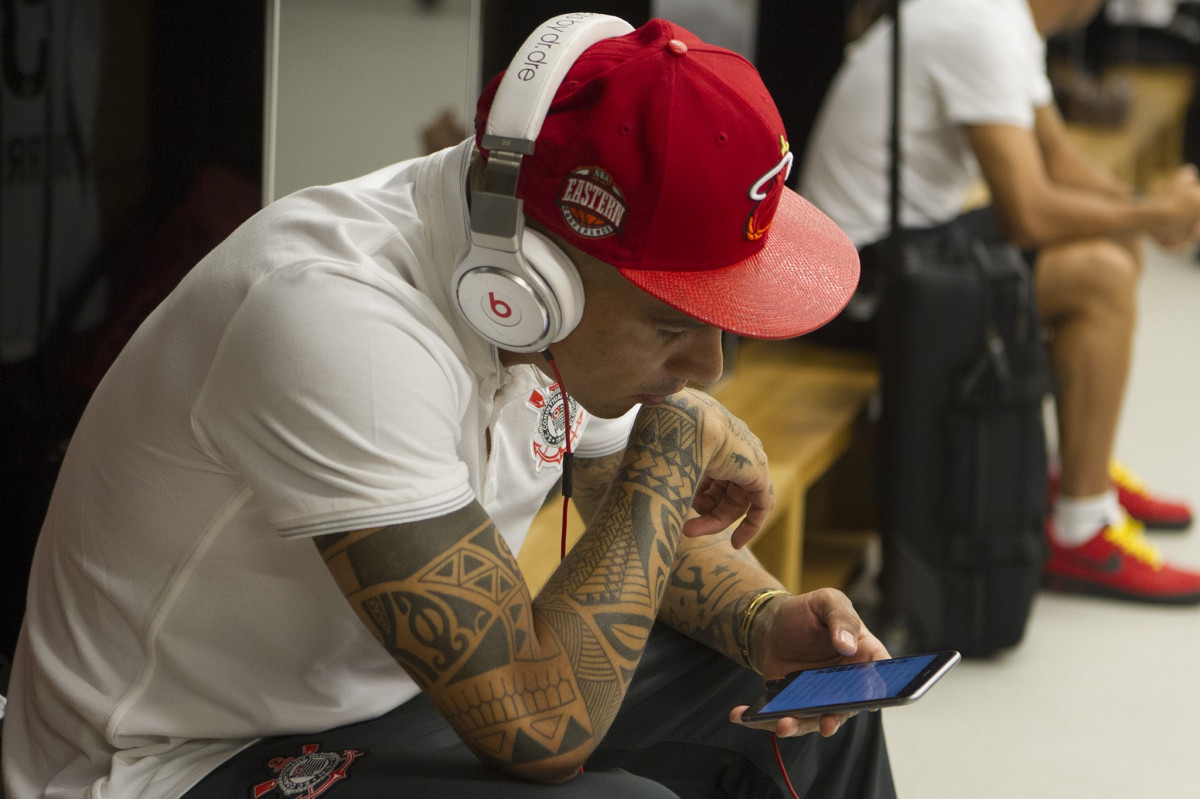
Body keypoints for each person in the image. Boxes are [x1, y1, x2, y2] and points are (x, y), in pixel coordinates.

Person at [1, 14, 898, 799]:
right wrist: (675, 439)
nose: (706, 364)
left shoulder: (563, 305)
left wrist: (764, 621)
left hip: (399, 703)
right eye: (674, 325)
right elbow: (540, 729)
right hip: (173, 763)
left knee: (819, 709)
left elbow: (629, 522)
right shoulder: (331, 319)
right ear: (531, 276)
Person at [800, 0, 1200, 604]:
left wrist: (1146, 213)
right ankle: (1081, 527)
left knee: (1114, 240)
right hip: (854, 282)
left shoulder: (1001, 17)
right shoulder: (978, 26)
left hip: (907, 241)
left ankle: (1078, 469)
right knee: (1101, 275)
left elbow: (1059, 160)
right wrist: (1153, 213)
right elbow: (1029, 212)